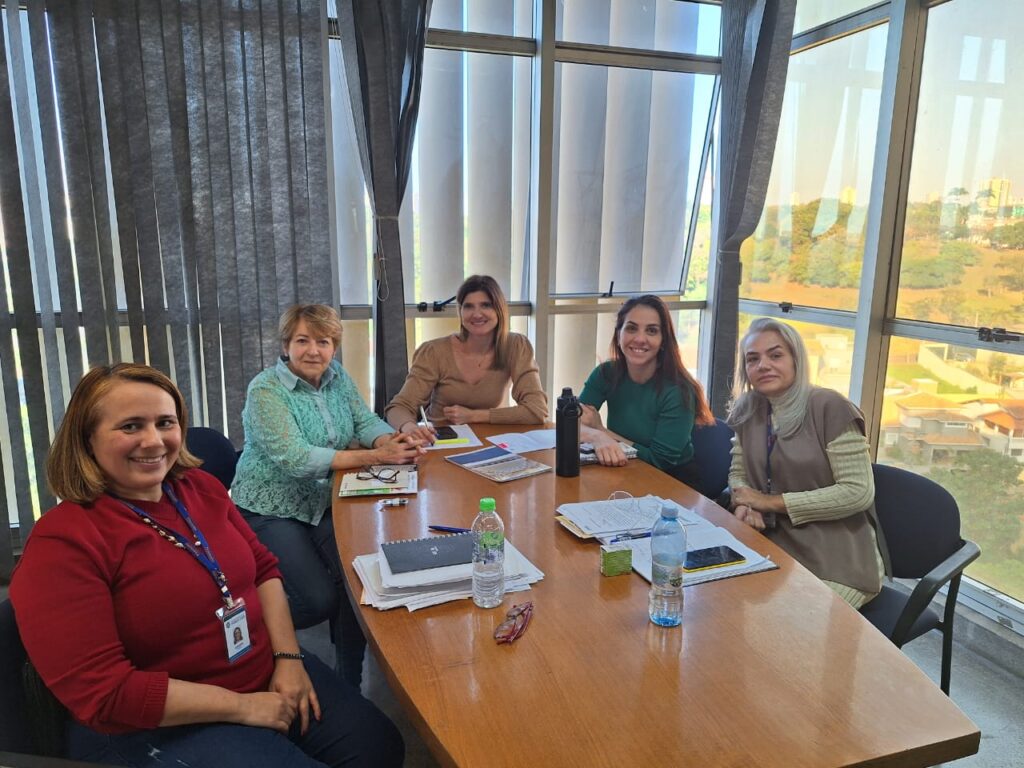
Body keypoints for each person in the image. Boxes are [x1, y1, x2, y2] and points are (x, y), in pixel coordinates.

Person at [9, 364, 403, 768]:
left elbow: (264, 570)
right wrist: (243, 707)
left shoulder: (199, 488)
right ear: (87, 440)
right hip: (154, 724)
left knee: (378, 746)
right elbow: (105, 695)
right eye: (130, 426)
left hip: (260, 670)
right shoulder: (62, 542)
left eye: (165, 422)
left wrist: (289, 659)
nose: (154, 440)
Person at [231, 304, 424, 687]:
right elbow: (297, 459)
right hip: (270, 508)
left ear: (334, 346)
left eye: (323, 342)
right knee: (318, 599)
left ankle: (348, 679)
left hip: (323, 501)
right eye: (303, 341)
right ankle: (249, 633)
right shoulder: (266, 390)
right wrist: (377, 456)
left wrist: (391, 441)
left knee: (357, 580)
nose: (313, 351)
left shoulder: (337, 377)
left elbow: (364, 420)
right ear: (286, 345)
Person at [726, 317, 889, 608]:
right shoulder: (747, 408)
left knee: (787, 625)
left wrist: (769, 502)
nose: (763, 365)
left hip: (838, 555)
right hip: (771, 539)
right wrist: (745, 504)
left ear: (796, 360)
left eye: (775, 355)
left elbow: (858, 492)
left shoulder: (831, 407)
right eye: (753, 359)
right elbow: (739, 473)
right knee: (723, 604)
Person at [385, 274, 548, 438]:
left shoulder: (516, 345)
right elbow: (398, 408)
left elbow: (537, 410)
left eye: (486, 305)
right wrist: (410, 428)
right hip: (443, 441)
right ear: (460, 312)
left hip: (495, 441)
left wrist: (474, 416)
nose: (477, 314)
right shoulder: (434, 351)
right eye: (468, 306)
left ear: (499, 310)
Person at [578, 295, 714, 491]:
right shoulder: (605, 373)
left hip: (673, 482)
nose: (640, 339)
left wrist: (603, 432)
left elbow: (659, 461)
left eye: (651, 331)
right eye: (631, 328)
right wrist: (596, 436)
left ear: (663, 340)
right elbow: (573, 422)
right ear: (619, 334)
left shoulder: (679, 390)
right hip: (623, 471)